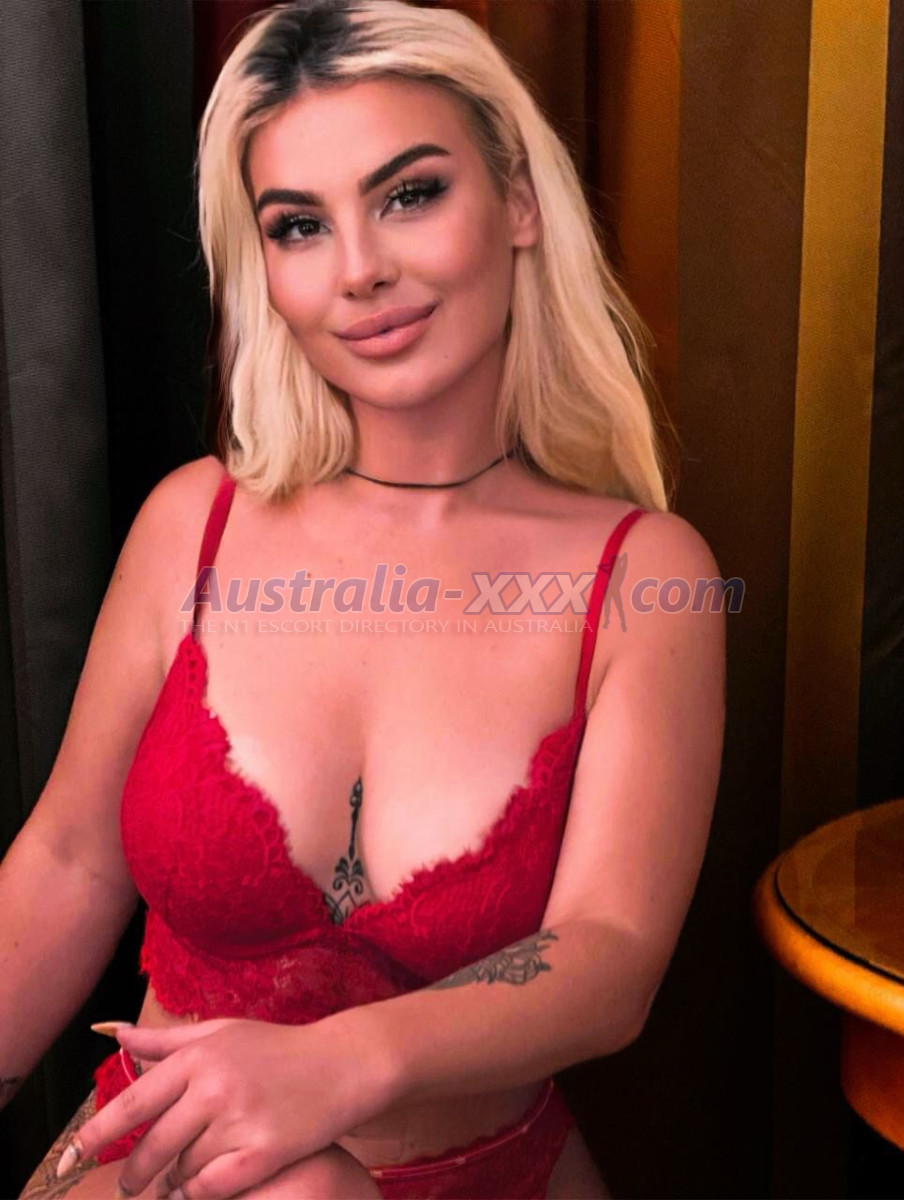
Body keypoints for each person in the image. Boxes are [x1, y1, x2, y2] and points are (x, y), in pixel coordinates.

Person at [6, 1, 726, 1197]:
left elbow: (607, 955)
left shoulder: (644, 578)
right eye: (299, 225)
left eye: (408, 195)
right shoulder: (193, 524)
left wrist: (333, 1068)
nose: (359, 270)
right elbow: (70, 861)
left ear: (518, 201)